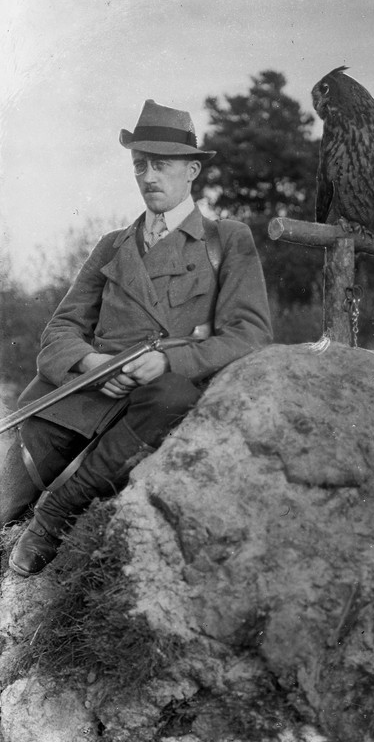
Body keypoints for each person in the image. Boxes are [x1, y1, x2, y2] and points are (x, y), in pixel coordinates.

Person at [1, 99, 273, 577]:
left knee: (167, 398)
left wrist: (170, 362)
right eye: (140, 164)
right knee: (9, 485)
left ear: (191, 170)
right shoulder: (112, 244)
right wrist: (88, 364)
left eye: (161, 165)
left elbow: (250, 333)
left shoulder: (227, 239)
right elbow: (60, 331)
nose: (149, 176)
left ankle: (56, 513)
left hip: (162, 391)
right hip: (88, 389)